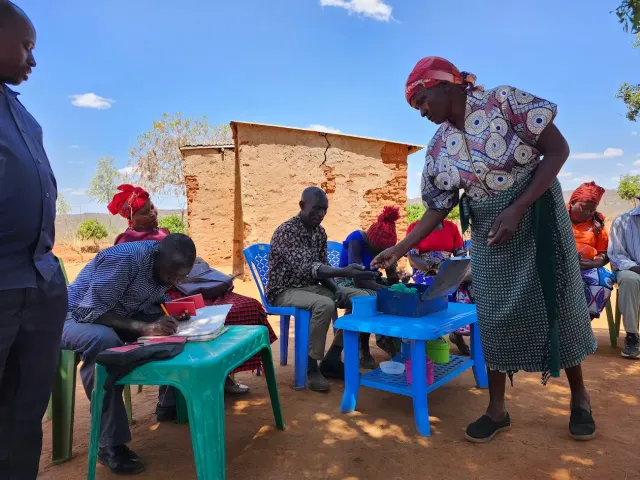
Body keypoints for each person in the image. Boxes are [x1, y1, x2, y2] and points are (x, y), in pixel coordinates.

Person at [372, 57, 596, 443]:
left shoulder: (505, 102)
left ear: (445, 85)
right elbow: (439, 206)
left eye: (422, 101)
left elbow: (558, 150)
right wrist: (400, 247)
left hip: (539, 213)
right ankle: (497, 409)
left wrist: (519, 206)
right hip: (491, 230)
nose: (422, 112)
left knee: (555, 300)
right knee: (491, 312)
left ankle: (580, 398)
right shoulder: (440, 147)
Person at [107, 184, 278, 404]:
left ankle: (223, 373)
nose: (153, 214)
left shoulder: (163, 234)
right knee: (191, 318)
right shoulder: (126, 244)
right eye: (145, 212)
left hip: (187, 285)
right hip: (162, 293)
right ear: (131, 217)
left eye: (153, 208)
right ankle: (178, 393)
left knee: (246, 305)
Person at [61, 234, 196, 474]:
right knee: (104, 342)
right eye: (170, 276)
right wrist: (143, 327)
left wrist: (171, 312)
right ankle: (110, 443)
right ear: (156, 256)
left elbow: (146, 297)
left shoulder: (164, 265)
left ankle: (170, 403)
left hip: (116, 314)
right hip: (72, 315)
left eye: (180, 277)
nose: (174, 281)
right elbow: (90, 312)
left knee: (171, 331)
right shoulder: (126, 259)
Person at [0, 3, 68, 478]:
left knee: (26, 409)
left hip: (39, 279)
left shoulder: (23, 116)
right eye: (26, 46)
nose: (33, 59)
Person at [268, 187, 377, 392]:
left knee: (362, 299)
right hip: (284, 290)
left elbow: (322, 266)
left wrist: (336, 289)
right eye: (316, 209)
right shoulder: (287, 231)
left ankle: (333, 358)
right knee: (325, 305)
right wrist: (346, 272)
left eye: (324, 210)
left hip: (311, 287)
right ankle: (310, 367)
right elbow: (309, 267)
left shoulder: (320, 232)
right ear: (302, 206)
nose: (321, 214)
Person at [337, 206, 402, 367]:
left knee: (397, 295)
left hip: (371, 280)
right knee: (371, 299)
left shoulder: (383, 249)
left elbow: (392, 278)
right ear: (371, 242)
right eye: (378, 251)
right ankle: (364, 348)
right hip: (347, 280)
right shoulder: (356, 240)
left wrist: (395, 282)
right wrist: (383, 289)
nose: (379, 254)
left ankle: (389, 338)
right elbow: (358, 278)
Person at [407, 218, 472, 355]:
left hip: (448, 269)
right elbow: (413, 258)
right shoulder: (416, 227)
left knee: (467, 286)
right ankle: (434, 335)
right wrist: (434, 268)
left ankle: (457, 332)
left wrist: (457, 269)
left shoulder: (451, 227)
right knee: (436, 288)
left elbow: (460, 254)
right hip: (424, 270)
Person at [567, 182, 615, 320]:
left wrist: (594, 264)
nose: (588, 213)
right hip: (558, 266)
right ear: (573, 202)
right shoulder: (557, 220)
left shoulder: (597, 226)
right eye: (584, 208)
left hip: (586, 268)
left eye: (592, 210)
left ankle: (584, 324)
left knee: (602, 281)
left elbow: (604, 253)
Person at [608, 197, 640, 359]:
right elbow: (616, 254)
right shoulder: (623, 221)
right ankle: (632, 336)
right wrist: (635, 267)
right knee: (629, 280)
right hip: (631, 268)